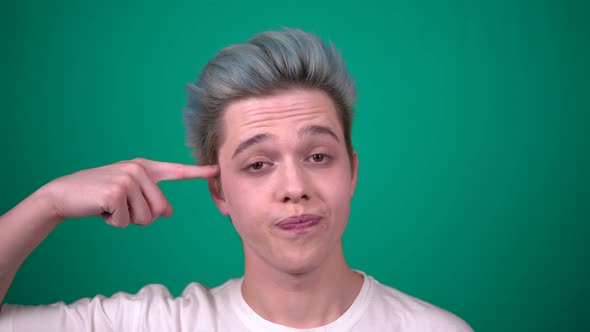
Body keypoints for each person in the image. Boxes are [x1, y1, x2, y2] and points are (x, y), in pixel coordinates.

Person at [0, 28, 473, 331]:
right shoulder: (151, 325)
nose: (294, 187)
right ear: (219, 191)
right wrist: (48, 203)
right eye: (258, 164)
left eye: (317, 155)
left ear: (352, 171)